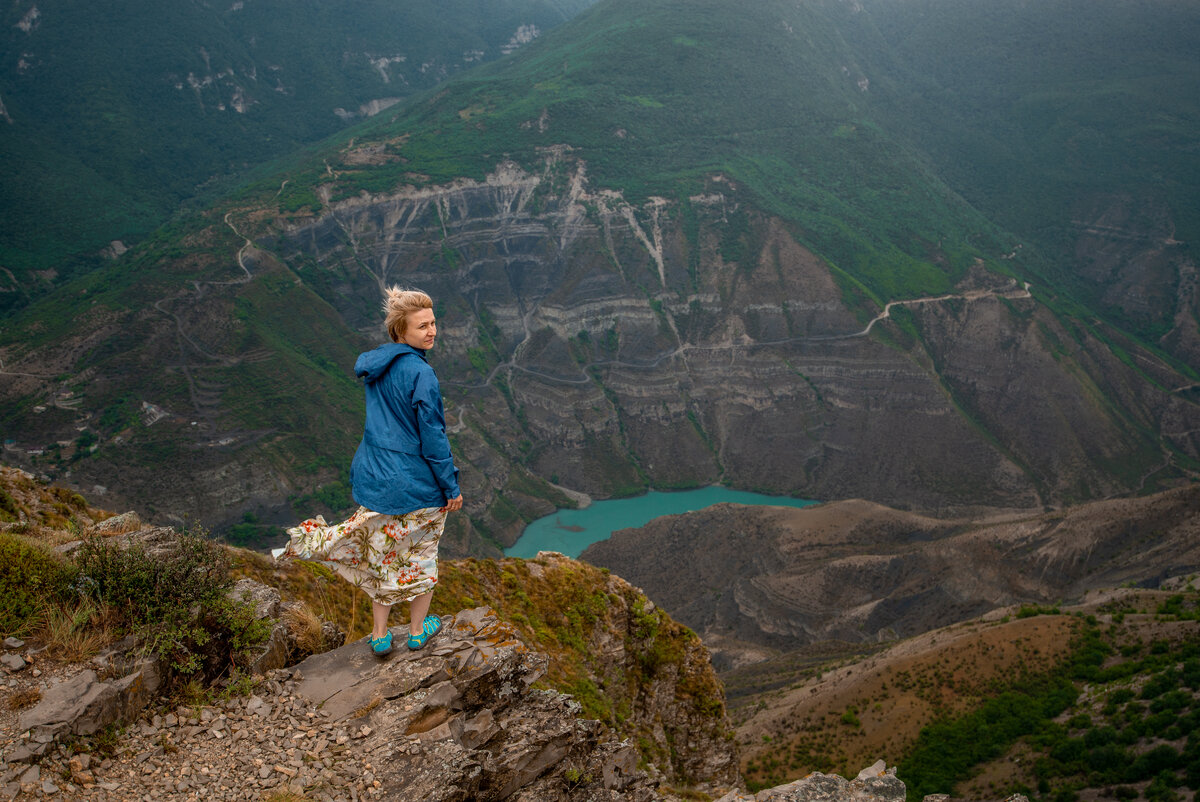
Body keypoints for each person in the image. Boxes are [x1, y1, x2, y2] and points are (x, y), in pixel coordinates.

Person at [274, 287, 463, 656]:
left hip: (376, 478)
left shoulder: (377, 367)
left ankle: (379, 635)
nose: (432, 331)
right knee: (421, 556)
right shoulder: (421, 374)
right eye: (422, 326)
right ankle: (416, 631)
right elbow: (433, 438)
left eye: (433, 323)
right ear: (400, 331)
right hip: (416, 484)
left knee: (382, 556)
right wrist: (451, 487)